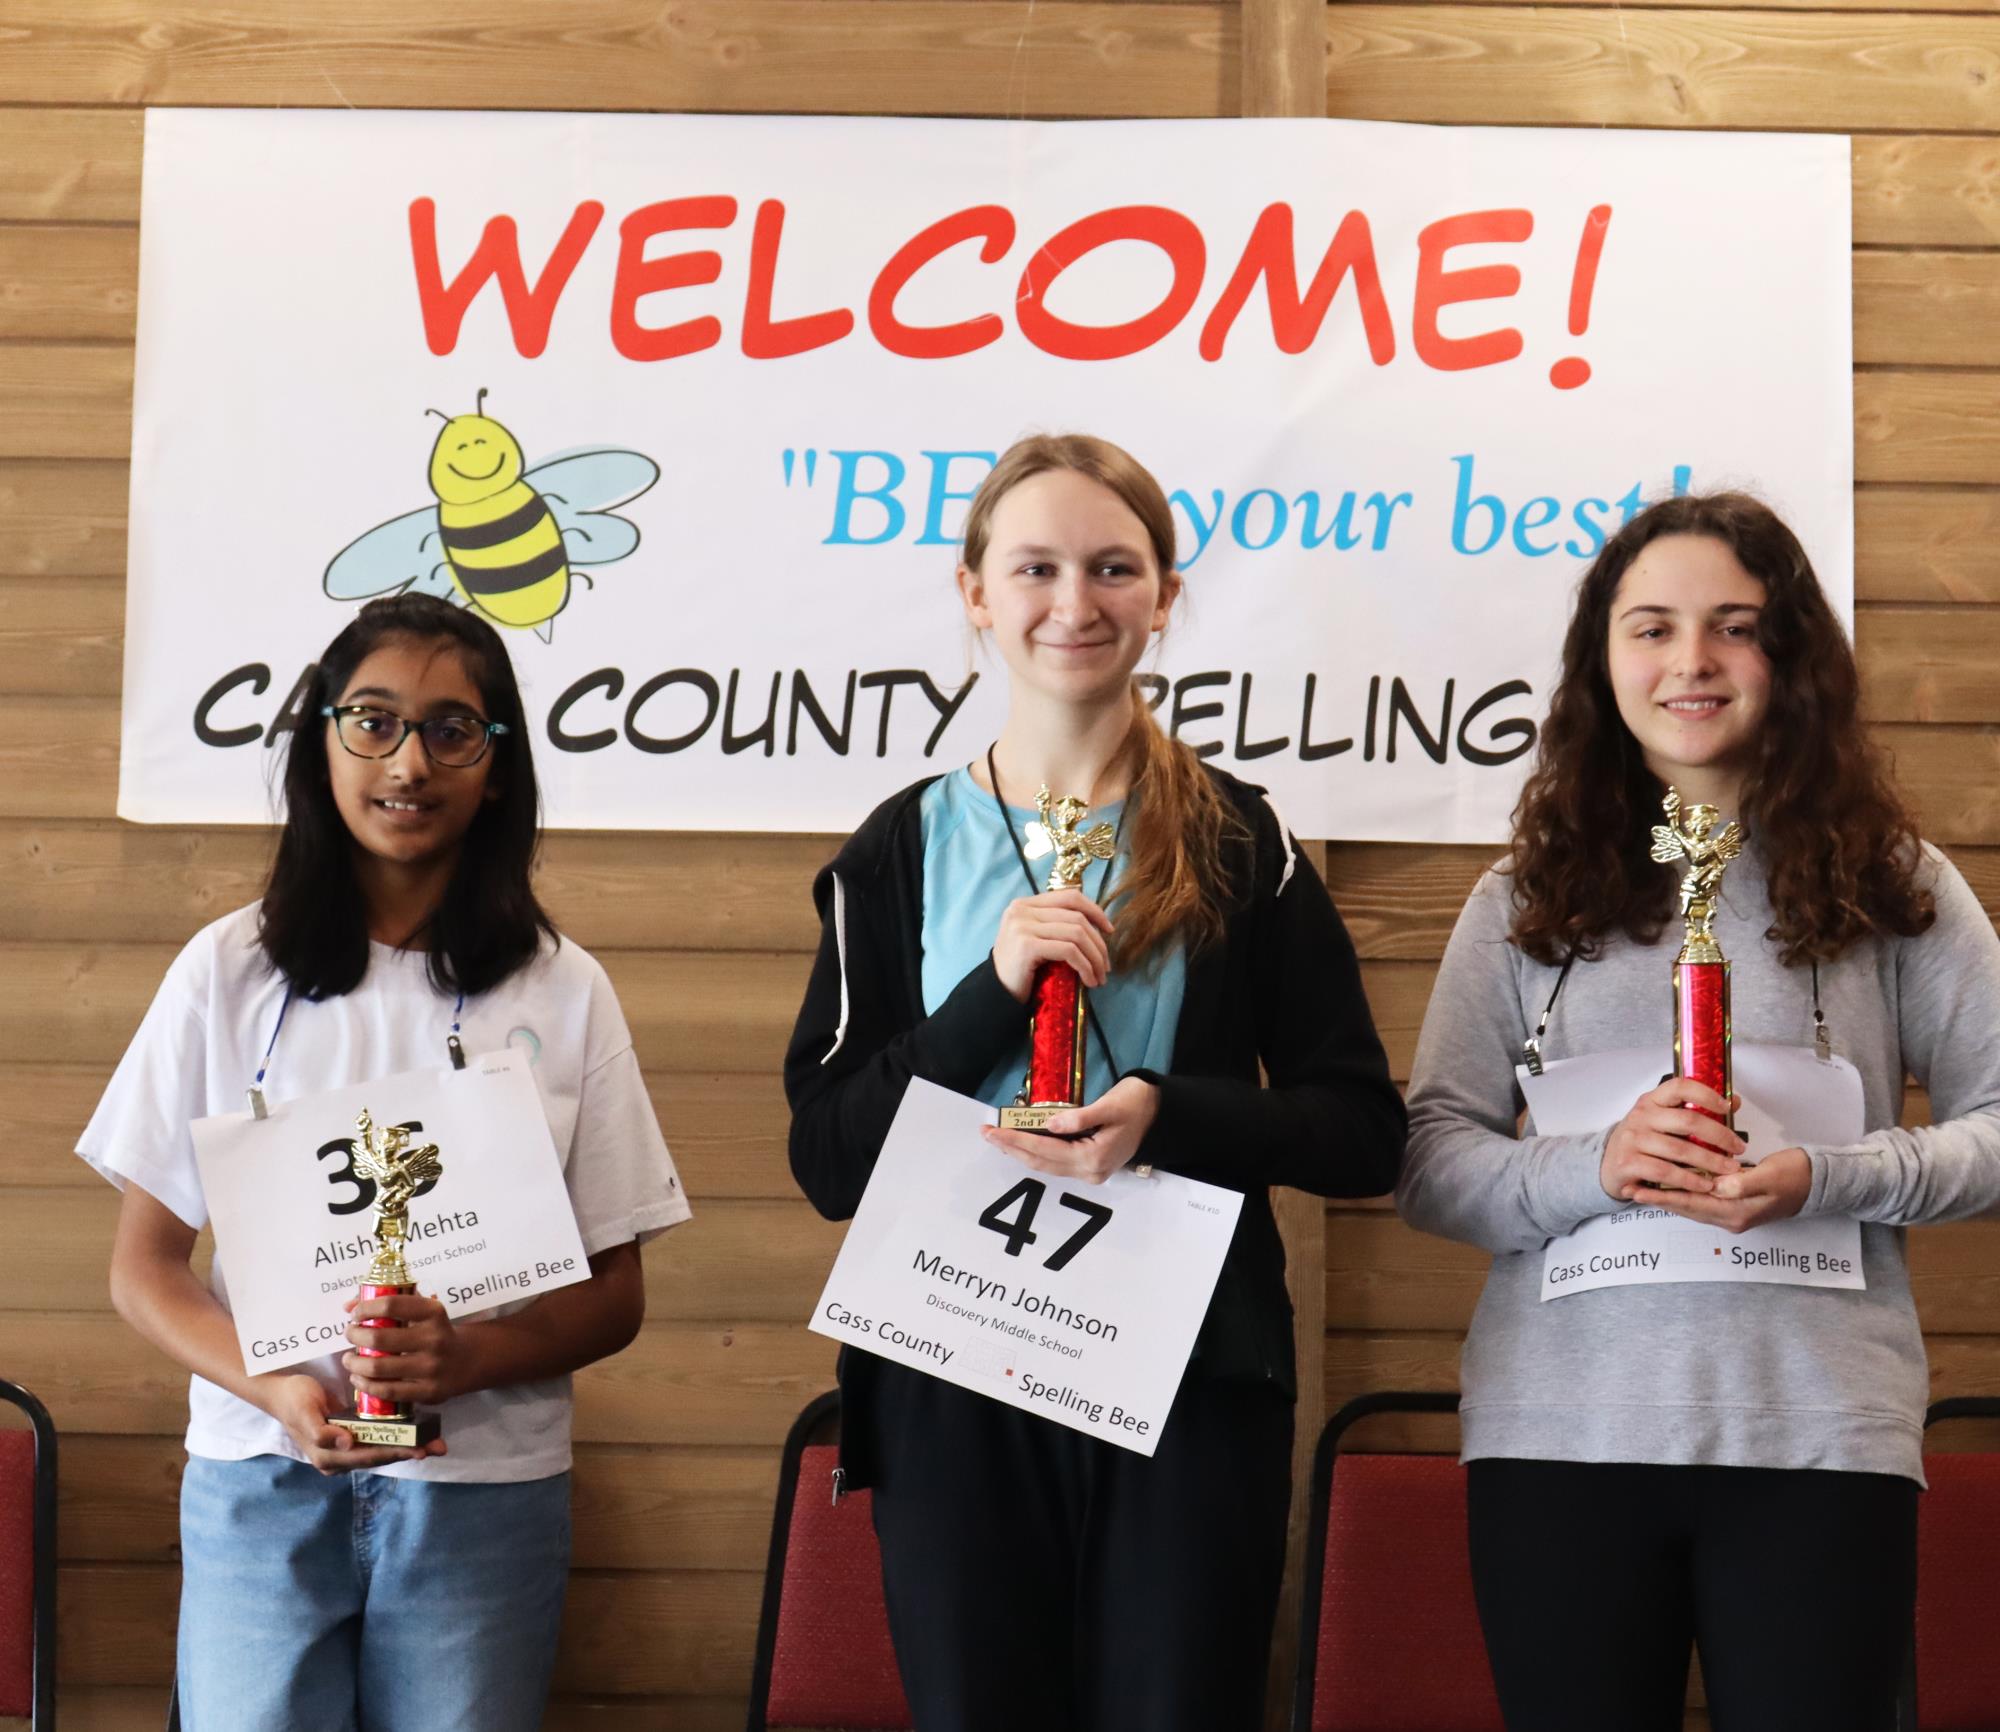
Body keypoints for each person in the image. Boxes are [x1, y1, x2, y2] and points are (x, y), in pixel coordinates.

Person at [784, 432, 1406, 1732]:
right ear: (975, 594)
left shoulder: (1245, 839)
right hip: (953, 1378)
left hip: (1188, 1388)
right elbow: (831, 1159)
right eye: (1038, 568)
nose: (1076, 603)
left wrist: (1169, 1118)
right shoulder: (897, 851)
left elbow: (1359, 1132)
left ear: (1164, 597)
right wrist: (984, 1000)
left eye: (1114, 568)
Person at [1397, 493, 2000, 1732]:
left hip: (1819, 1442)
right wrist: (1592, 1166)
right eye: (1651, 627)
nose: (1689, 662)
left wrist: (1826, 1174)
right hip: (1555, 1441)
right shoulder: (1522, 895)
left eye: (1734, 626)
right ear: (1598, 658)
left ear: (1790, 658)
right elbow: (1429, 1163)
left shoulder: (1898, 888)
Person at [81, 594, 689, 1731]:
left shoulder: (565, 990)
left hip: (484, 1494)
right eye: (373, 721)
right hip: (261, 1481)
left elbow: (614, 1297)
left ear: (497, 766)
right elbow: (145, 1266)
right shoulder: (226, 972)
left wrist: (466, 1357)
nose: (408, 760)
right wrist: (272, 1388)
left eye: (452, 729)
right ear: (321, 738)